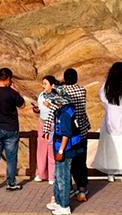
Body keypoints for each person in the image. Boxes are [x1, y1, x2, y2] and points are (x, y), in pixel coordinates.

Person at [47, 68, 90, 200]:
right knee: (81, 161)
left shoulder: (62, 92)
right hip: (81, 130)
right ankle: (82, 190)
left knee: (66, 163)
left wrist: (47, 127)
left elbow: (54, 110)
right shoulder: (82, 90)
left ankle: (68, 189)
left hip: (67, 131)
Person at [0, 68, 24, 193]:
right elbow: (22, 105)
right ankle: (11, 183)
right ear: (8, 79)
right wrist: (16, 91)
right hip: (11, 129)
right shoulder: (11, 93)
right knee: (11, 158)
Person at [47, 89, 84, 215]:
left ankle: (64, 206)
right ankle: (58, 202)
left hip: (65, 150)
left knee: (63, 177)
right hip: (59, 148)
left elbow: (66, 134)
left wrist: (61, 151)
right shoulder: (62, 110)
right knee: (58, 176)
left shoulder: (65, 114)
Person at [92, 62, 122, 181]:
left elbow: (104, 101)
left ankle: (110, 174)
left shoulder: (105, 87)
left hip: (109, 121)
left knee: (109, 147)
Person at [32, 76, 57, 184]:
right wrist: (37, 109)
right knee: (41, 149)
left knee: (51, 150)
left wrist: (50, 105)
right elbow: (41, 109)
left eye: (45, 83)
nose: (43, 86)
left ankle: (52, 175)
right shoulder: (41, 95)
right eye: (43, 83)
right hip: (42, 123)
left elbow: (59, 109)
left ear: (52, 85)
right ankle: (41, 173)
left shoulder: (56, 96)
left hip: (52, 123)